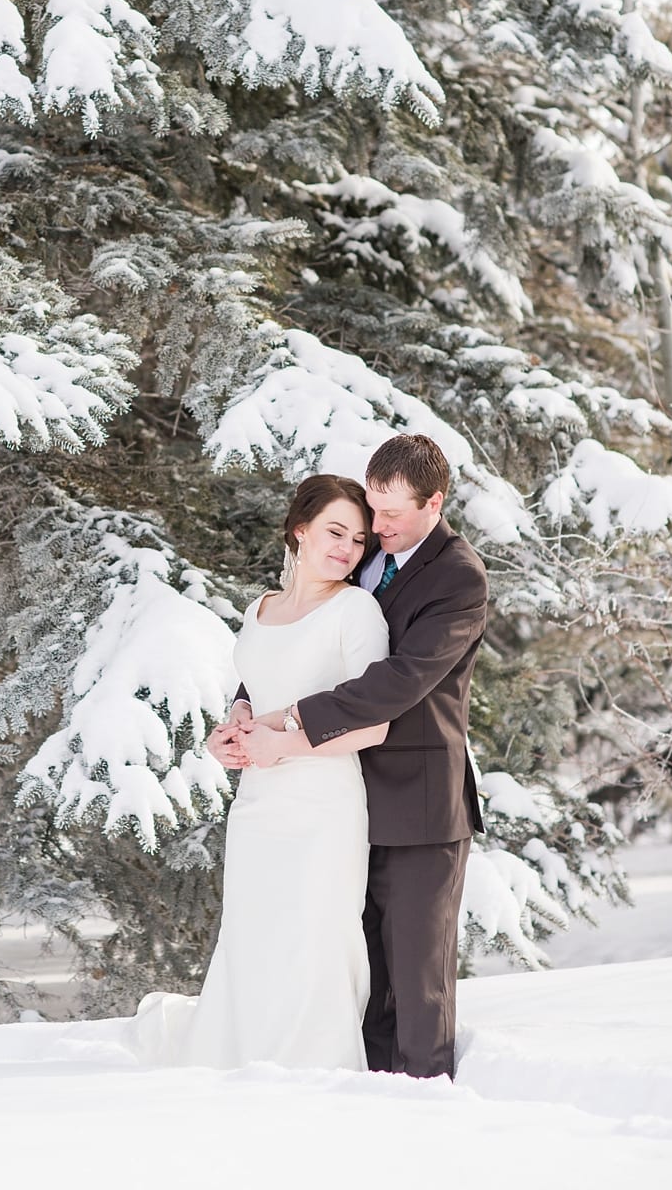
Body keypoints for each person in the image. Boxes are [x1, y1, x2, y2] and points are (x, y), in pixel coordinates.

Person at [224, 432, 488, 1079]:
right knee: (356, 972)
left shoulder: (457, 576)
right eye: (374, 508)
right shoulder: (367, 560)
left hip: (419, 803)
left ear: (436, 502)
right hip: (343, 795)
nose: (378, 526)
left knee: (416, 974)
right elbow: (304, 644)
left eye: (394, 514)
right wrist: (245, 707)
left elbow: (401, 678)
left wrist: (290, 721)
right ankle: (363, 1097)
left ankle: (426, 1102)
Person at [134, 473, 392, 1068]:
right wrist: (235, 724)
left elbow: (373, 725)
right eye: (334, 531)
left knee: (313, 935)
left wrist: (283, 747)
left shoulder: (357, 611)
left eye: (358, 540)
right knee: (253, 931)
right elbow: (258, 686)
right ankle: (239, 1055)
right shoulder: (260, 609)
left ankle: (310, 1067)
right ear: (299, 530)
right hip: (257, 802)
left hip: (323, 799)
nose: (346, 548)